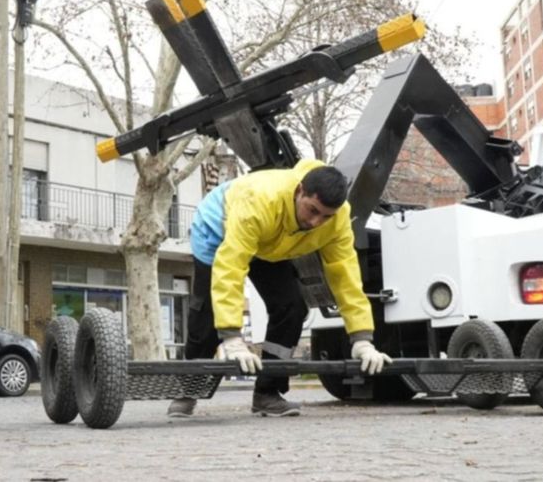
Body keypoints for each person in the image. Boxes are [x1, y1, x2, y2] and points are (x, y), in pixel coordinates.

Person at [168, 159, 392, 418]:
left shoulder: (337, 220)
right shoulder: (259, 202)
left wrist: (362, 338)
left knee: (292, 308)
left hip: (272, 242)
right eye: (312, 210)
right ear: (299, 191)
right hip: (218, 229)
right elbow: (231, 268)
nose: (317, 222)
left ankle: (268, 392)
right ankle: (188, 392)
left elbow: (346, 276)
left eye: (326, 216)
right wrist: (232, 336)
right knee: (206, 316)